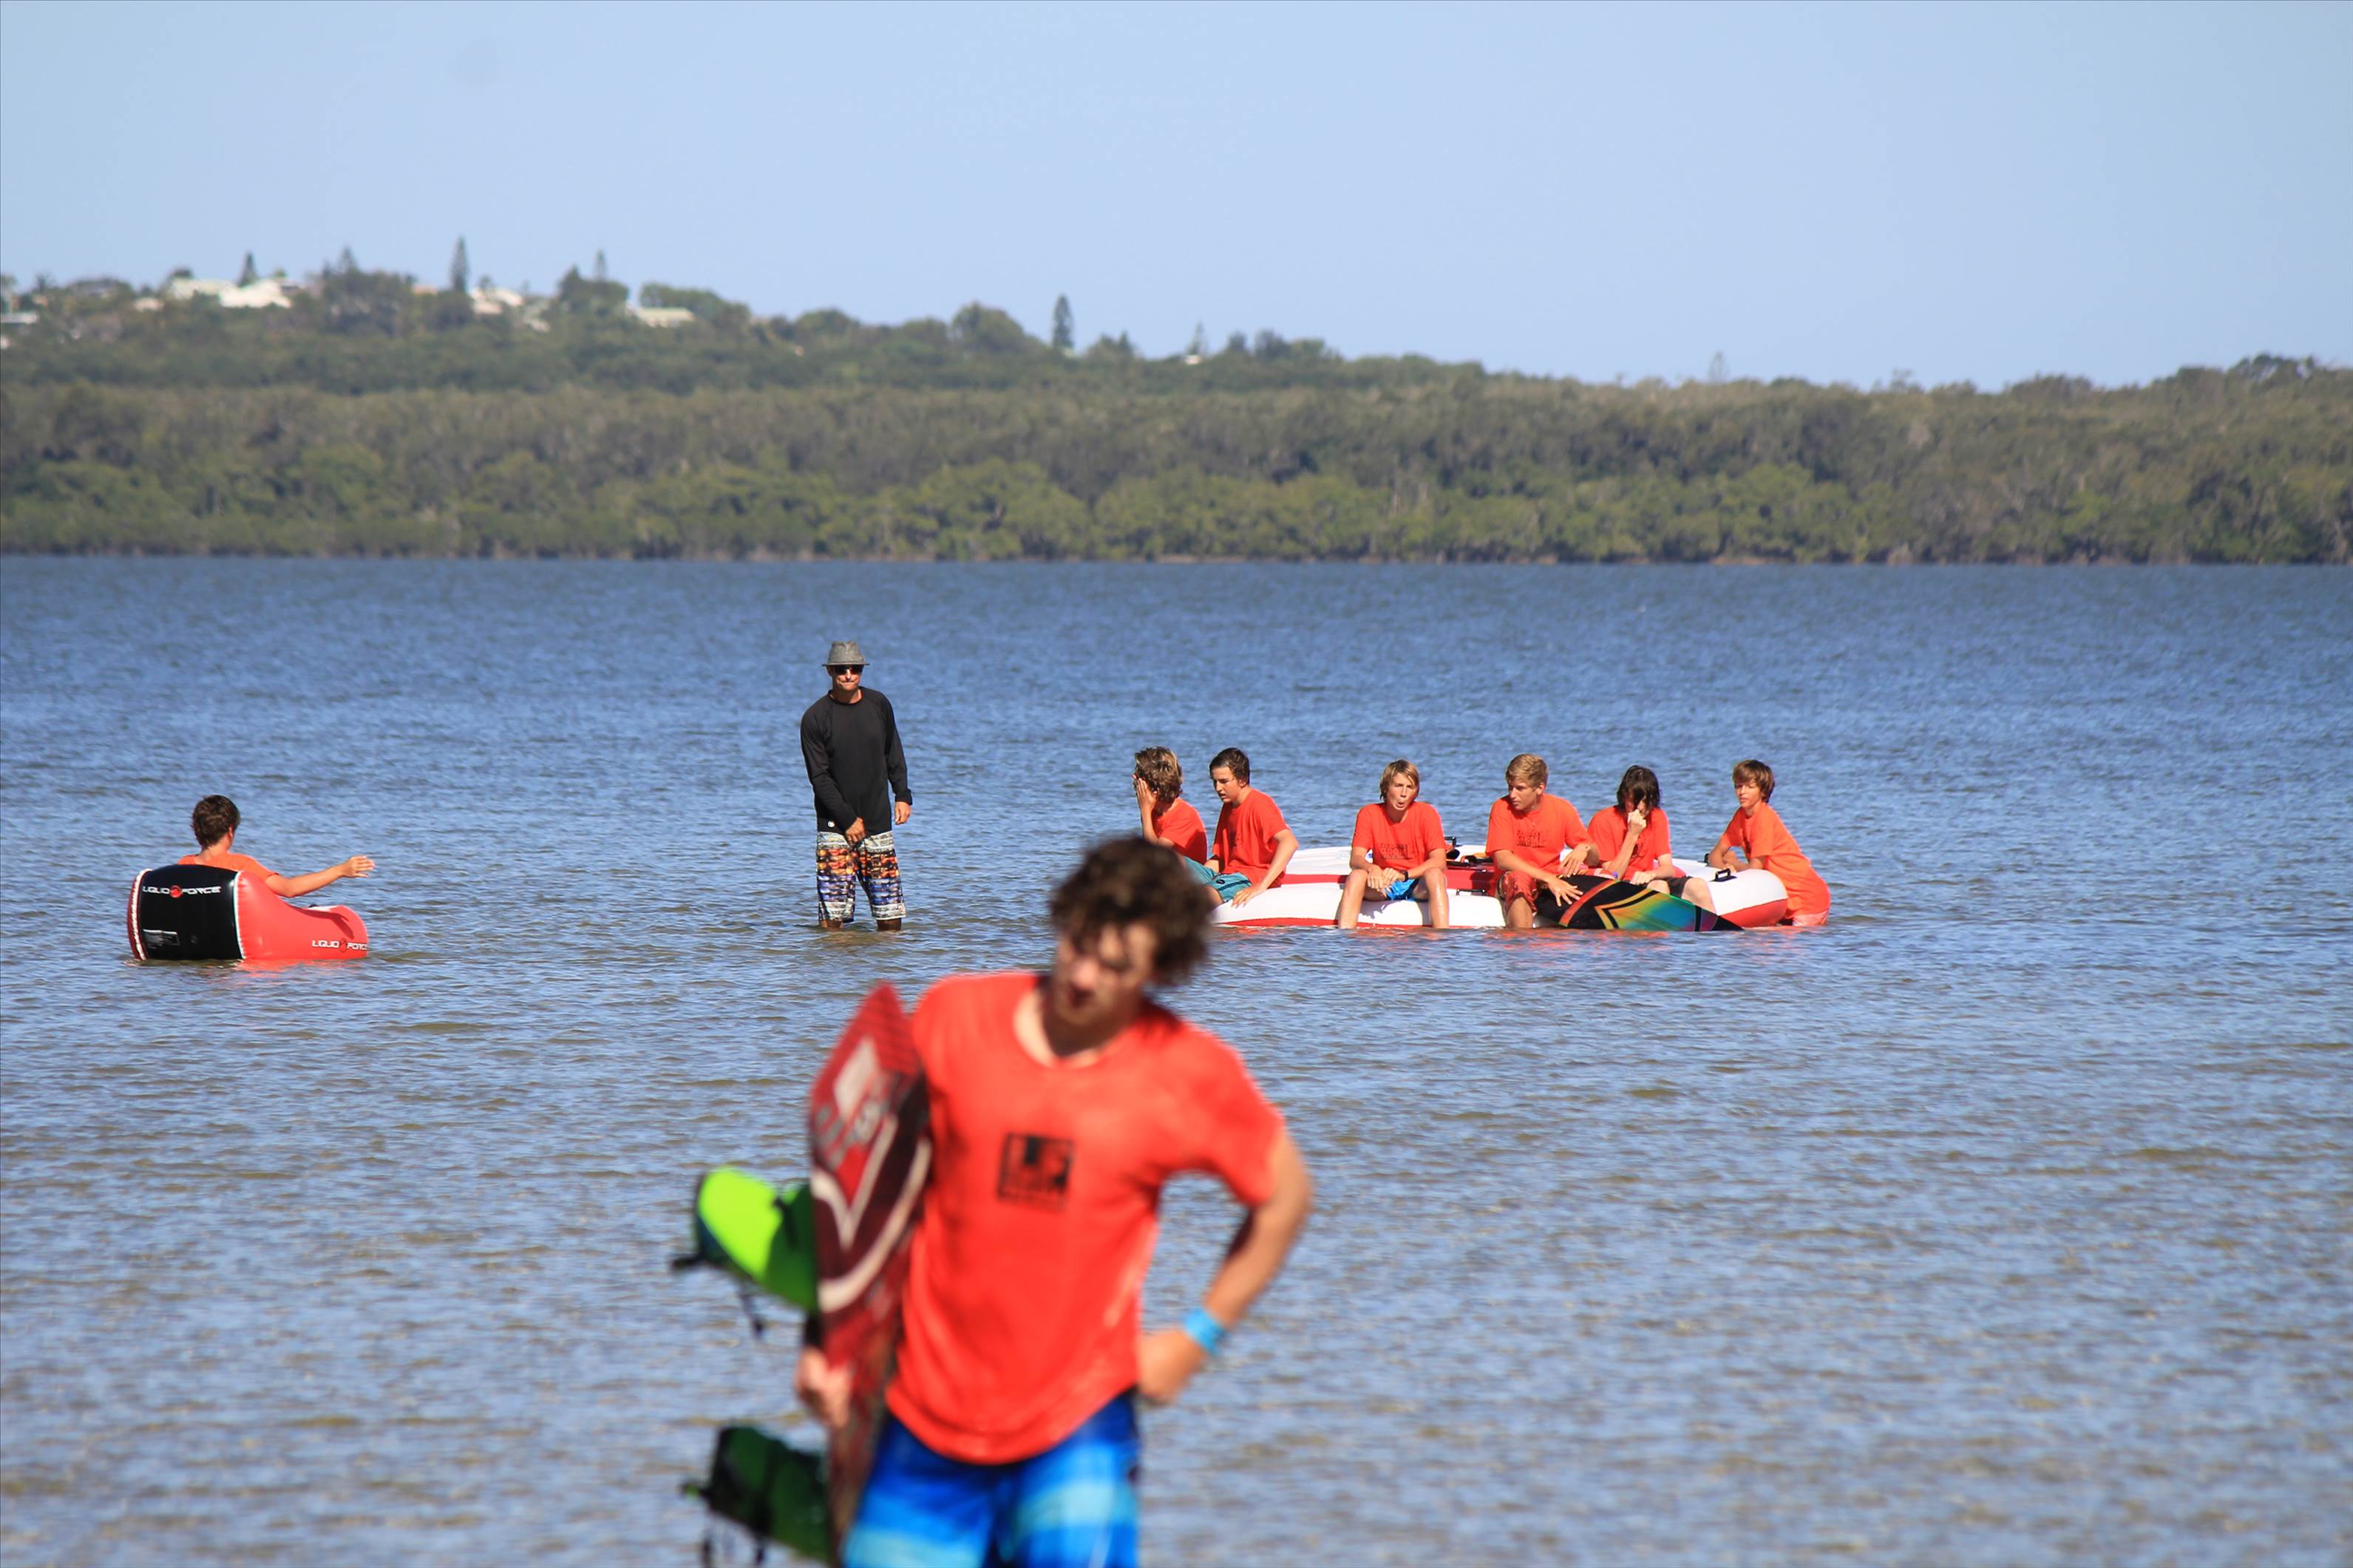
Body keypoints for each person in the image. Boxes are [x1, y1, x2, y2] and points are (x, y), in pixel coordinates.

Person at [795, 838, 1314, 1568]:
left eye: (1116, 967)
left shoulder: (1186, 1071)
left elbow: (1285, 1196)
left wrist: (1197, 1337)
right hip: (922, 1411)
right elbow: (863, 1189)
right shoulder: (954, 1017)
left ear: (1159, 971)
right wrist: (827, 1341)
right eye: (1079, 944)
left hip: (1078, 1427)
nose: (1082, 975)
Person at [801, 639, 911, 931]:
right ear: (830, 672)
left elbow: (893, 751)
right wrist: (847, 819)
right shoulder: (815, 718)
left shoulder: (879, 705)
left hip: (878, 822)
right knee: (832, 922)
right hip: (835, 827)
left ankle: (884, 961)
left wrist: (902, 794)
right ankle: (836, 964)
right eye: (841, 669)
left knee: (890, 918)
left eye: (855, 668)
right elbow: (819, 778)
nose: (848, 674)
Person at [1704, 758, 1830, 926]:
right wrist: (1726, 869)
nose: (1742, 792)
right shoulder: (1741, 816)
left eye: (1750, 787)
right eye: (1738, 786)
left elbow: (1755, 872)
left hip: (1807, 901)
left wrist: (1735, 864)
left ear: (1763, 792)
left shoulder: (1764, 819)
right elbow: (1714, 855)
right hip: (1781, 903)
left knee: (1764, 937)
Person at [180, 795, 373, 897]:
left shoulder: (183, 866)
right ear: (231, 831)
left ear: (196, 830)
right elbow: (289, 889)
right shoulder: (240, 866)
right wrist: (340, 870)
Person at [1483, 754, 1592, 929]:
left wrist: (1584, 848)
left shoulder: (1562, 808)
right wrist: (1548, 878)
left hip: (1552, 878)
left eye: (1520, 789)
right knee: (1520, 880)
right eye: (1510, 787)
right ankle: (1521, 942)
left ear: (1540, 788)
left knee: (1601, 874)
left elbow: (1594, 856)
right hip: (1515, 879)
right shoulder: (1502, 808)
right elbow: (1503, 859)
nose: (1512, 794)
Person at [1337, 758, 1450, 929]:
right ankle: (1344, 936)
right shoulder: (1369, 814)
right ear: (1386, 787)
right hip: (1383, 883)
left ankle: (1442, 937)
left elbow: (1440, 861)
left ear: (1416, 791)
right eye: (1398, 786)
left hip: (1416, 882)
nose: (1404, 793)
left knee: (1435, 874)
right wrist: (1372, 868)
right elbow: (1356, 859)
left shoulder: (1427, 814)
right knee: (1356, 876)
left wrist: (1403, 875)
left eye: (1410, 787)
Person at [1588, 764, 1712, 912]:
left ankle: (1710, 927)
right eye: (1634, 801)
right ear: (1624, 797)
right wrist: (1632, 835)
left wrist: (1651, 874)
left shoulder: (1657, 817)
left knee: (1698, 885)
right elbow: (1613, 875)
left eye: (1645, 801)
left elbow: (1668, 867)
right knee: (1659, 887)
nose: (1640, 807)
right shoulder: (1603, 820)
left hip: (1647, 880)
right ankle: (1661, 926)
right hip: (1616, 888)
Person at [1205, 747, 1297, 907]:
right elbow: (1220, 859)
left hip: (1250, 876)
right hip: (1228, 874)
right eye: (1215, 781)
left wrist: (1262, 885)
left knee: (1199, 895)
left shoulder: (1260, 804)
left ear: (1242, 780)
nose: (1218, 788)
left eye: (1224, 782)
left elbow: (1290, 842)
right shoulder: (1228, 806)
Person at [1132, 746, 1209, 869]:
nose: (1134, 778)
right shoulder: (1155, 811)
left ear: (1155, 789)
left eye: (1139, 779)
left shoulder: (1184, 815)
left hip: (1188, 877)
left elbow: (1155, 855)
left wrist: (1145, 811)